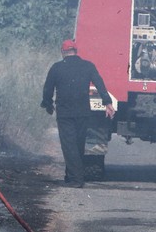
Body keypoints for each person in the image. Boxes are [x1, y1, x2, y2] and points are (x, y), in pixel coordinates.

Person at [40, 39, 115, 188]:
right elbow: (100, 84)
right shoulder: (88, 66)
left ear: (63, 52)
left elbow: (48, 88)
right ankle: (71, 175)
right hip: (83, 112)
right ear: (76, 51)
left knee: (69, 145)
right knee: (78, 144)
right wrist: (107, 102)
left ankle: (76, 180)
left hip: (65, 113)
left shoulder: (57, 68)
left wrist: (47, 104)